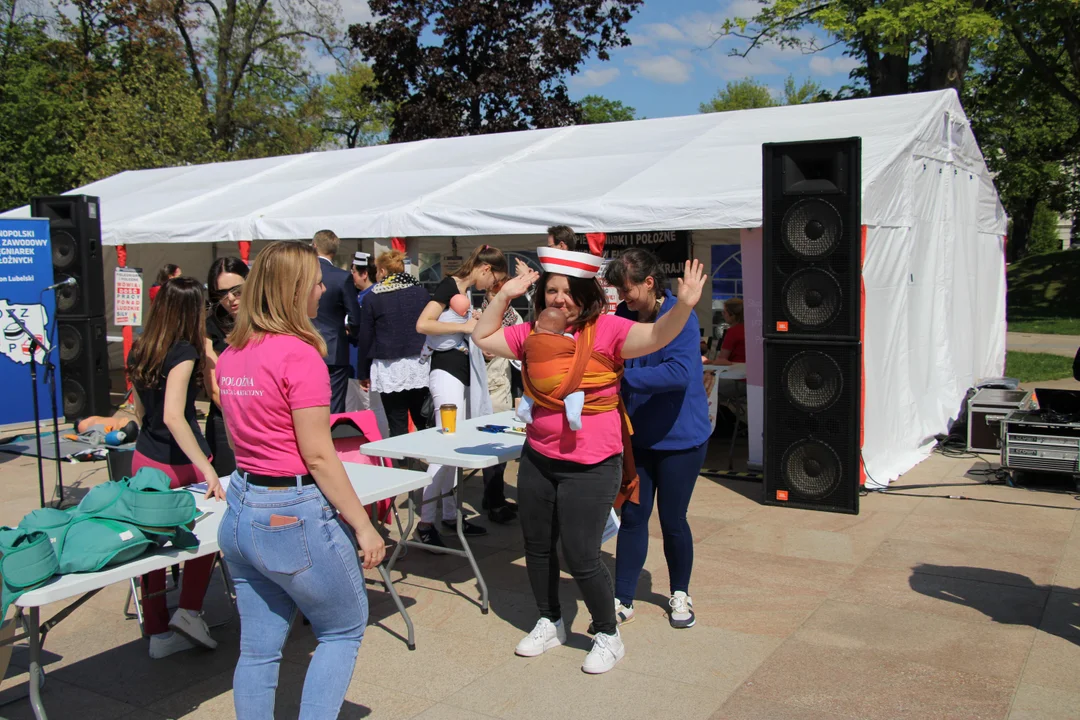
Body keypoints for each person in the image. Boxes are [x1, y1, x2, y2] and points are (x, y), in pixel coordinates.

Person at [473, 242, 708, 675]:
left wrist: (685, 306)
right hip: (539, 455)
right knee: (538, 547)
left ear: (585, 295)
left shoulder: (610, 330)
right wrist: (505, 295)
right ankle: (550, 620)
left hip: (593, 462)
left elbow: (657, 336)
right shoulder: (532, 333)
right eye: (550, 291)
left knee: (581, 553)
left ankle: (607, 634)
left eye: (567, 291)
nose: (558, 299)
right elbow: (483, 336)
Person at [215, 241, 386, 720]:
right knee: (343, 629)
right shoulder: (299, 354)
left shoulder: (233, 353)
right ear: (293, 290)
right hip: (289, 512)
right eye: (313, 280)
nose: (320, 288)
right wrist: (364, 526)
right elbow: (318, 453)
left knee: (258, 650)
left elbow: (240, 436)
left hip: (243, 510)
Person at [603, 248, 711, 630]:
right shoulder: (622, 316)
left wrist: (623, 379)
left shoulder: (680, 315)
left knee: (673, 520)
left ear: (650, 283)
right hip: (638, 439)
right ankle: (623, 597)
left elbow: (681, 373)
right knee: (632, 517)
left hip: (682, 440)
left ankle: (679, 592)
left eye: (627, 289)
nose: (623, 296)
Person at [126, 276, 224, 659]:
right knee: (202, 540)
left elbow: (141, 410)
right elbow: (174, 416)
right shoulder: (183, 352)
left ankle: (155, 630)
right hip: (181, 464)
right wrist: (207, 469)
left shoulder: (141, 349)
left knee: (150, 549)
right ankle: (187, 610)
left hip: (144, 459)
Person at [414, 244, 508, 546]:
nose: (490, 287)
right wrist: (467, 326)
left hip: (460, 372)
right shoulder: (448, 285)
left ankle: (450, 517)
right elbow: (423, 323)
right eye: (492, 281)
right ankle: (425, 524)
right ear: (484, 268)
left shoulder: (463, 292)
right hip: (446, 373)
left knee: (455, 450)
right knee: (445, 448)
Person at [355, 250, 433, 437]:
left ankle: (404, 463)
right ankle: (429, 462)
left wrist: (363, 372)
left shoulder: (373, 297)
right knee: (423, 420)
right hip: (420, 364)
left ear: (382, 271)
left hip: (389, 366)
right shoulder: (420, 292)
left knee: (396, 423)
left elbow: (366, 337)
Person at [479, 287, 524, 524]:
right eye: (494, 293)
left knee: (502, 449)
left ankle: (493, 497)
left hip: (504, 386)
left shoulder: (515, 317)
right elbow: (484, 350)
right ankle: (495, 503)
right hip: (487, 388)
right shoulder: (478, 316)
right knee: (492, 448)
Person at [203, 256, 248, 478]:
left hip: (266, 421)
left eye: (237, 290)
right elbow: (213, 389)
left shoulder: (267, 320)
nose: (230, 299)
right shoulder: (210, 326)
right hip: (226, 420)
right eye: (222, 293)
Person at [311, 230, 362, 414]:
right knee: (334, 404)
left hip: (304, 345)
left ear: (314, 246)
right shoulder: (342, 277)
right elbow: (355, 316)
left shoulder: (301, 273)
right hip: (334, 347)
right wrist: (352, 332)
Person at [515, 307, 586, 430]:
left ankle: (523, 410)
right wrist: (568, 336)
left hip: (534, 384)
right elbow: (576, 349)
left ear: (536, 324)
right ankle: (573, 414)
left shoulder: (528, 341)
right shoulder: (567, 341)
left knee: (528, 393)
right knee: (576, 392)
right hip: (558, 381)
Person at [704, 298, 746, 403]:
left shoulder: (732, 332)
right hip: (754, 381)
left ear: (732, 315)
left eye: (724, 312)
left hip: (737, 380)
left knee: (700, 384)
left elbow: (722, 361)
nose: (723, 315)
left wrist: (709, 362)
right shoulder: (752, 330)